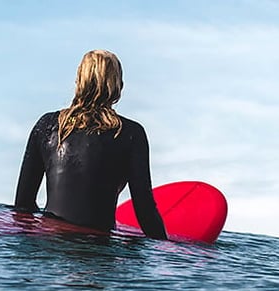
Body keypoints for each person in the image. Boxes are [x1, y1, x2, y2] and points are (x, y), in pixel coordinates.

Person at [15, 50, 167, 239]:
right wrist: (169, 250)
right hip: (98, 246)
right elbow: (144, 211)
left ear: (78, 80)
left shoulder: (47, 125)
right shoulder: (131, 134)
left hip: (49, 245)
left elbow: (22, 205)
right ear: (118, 85)